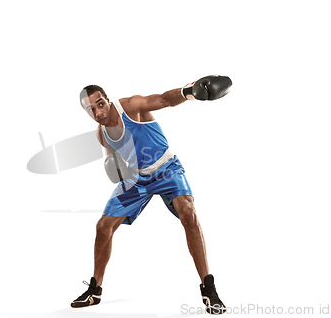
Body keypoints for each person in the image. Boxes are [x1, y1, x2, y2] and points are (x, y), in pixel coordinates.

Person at [71, 75, 232, 314]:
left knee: (188, 212)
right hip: (137, 180)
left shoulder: (131, 107)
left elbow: (163, 99)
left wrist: (189, 91)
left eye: (100, 104)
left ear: (107, 99)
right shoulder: (102, 134)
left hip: (167, 170)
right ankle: (95, 290)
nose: (97, 112)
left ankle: (209, 289)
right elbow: (115, 162)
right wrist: (115, 168)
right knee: (103, 226)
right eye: (90, 109)